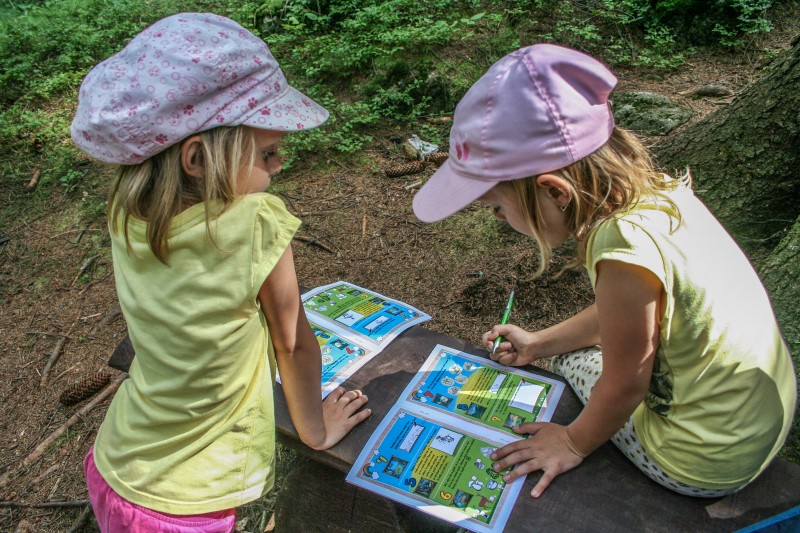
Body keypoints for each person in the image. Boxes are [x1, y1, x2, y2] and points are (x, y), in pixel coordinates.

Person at [412, 44, 796, 500]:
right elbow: (628, 318)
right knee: (562, 352)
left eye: (497, 206)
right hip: (756, 424)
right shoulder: (658, 196)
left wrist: (572, 441)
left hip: (701, 459)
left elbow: (626, 381)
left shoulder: (620, 247)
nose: (498, 218)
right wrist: (539, 342)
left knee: (574, 362)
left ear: (554, 191)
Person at [70, 13, 370, 531]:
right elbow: (293, 343)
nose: (278, 166)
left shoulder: (124, 212)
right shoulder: (255, 223)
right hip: (189, 501)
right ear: (197, 158)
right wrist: (315, 431)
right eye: (268, 152)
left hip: (116, 464)